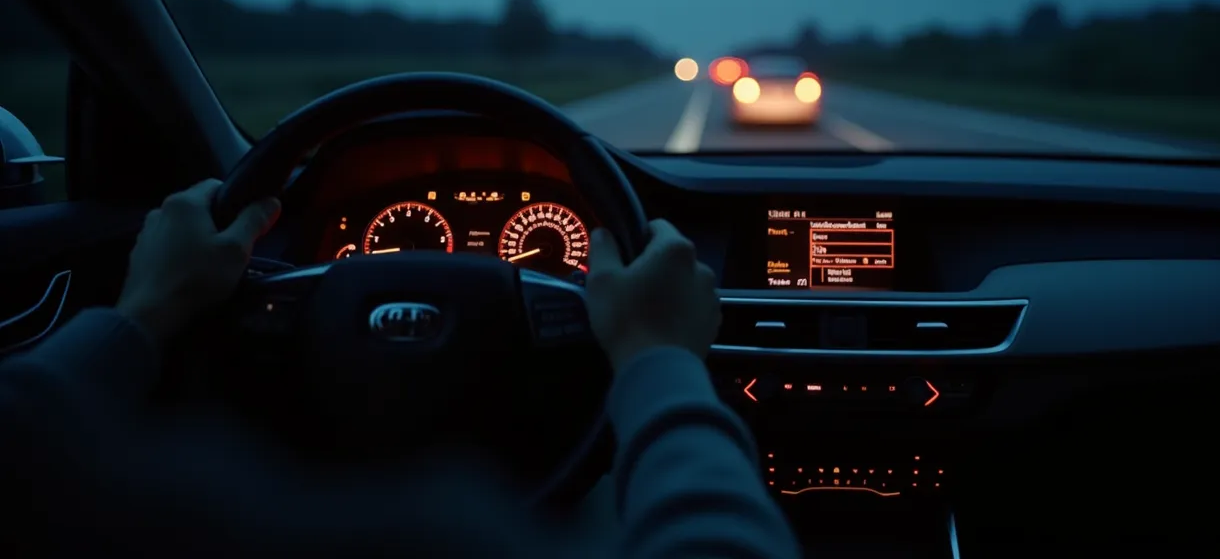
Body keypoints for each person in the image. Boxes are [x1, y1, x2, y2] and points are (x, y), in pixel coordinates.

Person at [0, 179, 800, 558]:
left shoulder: (64, 498)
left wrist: (146, 310)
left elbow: (26, 426)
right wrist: (658, 355)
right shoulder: (446, 529)